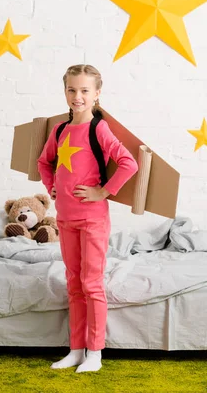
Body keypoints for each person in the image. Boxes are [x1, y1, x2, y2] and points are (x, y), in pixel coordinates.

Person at [37, 64, 139, 373]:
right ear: (65, 91)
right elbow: (45, 162)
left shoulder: (99, 129)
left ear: (96, 94)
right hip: (65, 220)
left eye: (84, 90)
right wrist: (52, 186)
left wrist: (103, 192)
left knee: (91, 284)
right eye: (71, 90)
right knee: (73, 284)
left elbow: (128, 163)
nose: (77, 96)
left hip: (93, 221)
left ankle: (95, 353)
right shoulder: (60, 130)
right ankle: (76, 350)